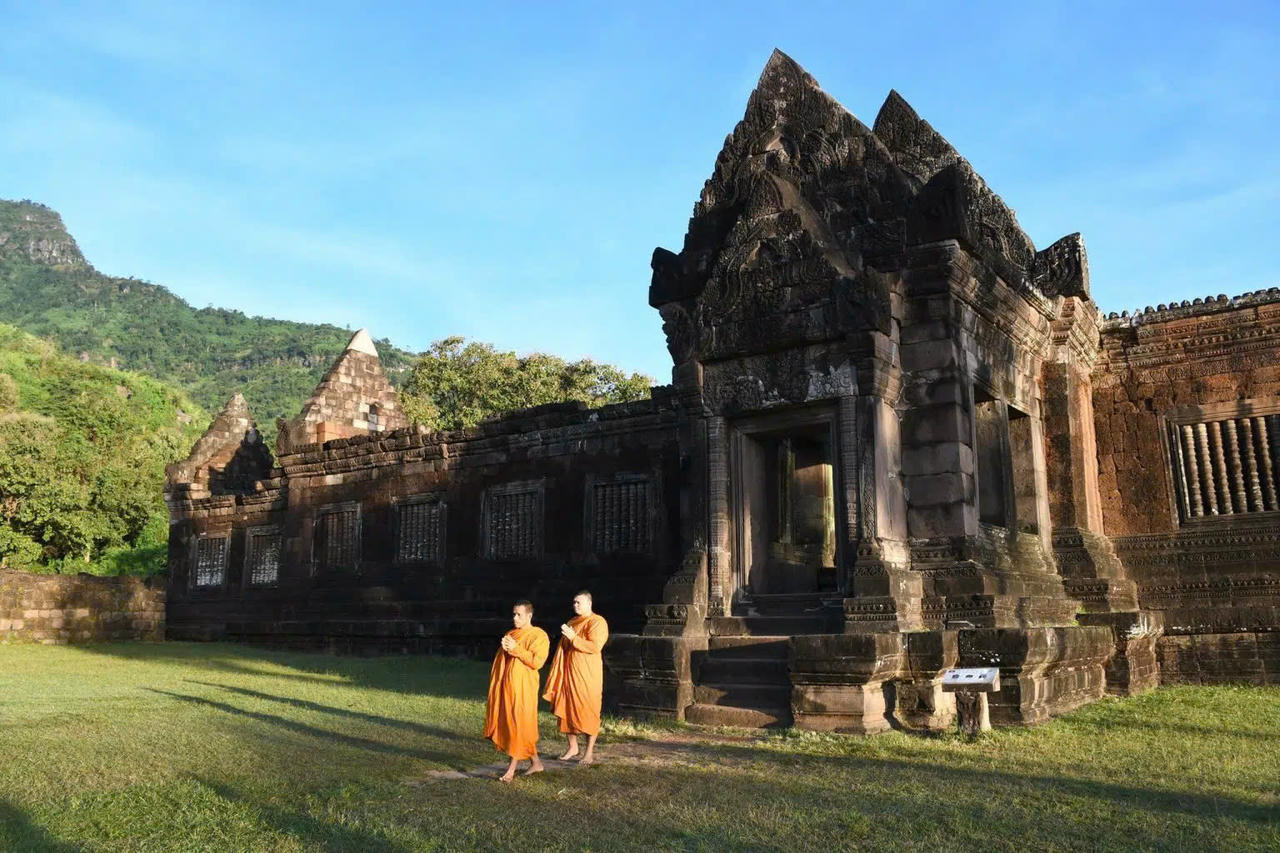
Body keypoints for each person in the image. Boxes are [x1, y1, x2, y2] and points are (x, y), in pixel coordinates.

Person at [483, 599, 550, 782]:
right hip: (508, 687)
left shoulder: (539, 635)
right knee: (519, 726)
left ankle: (511, 770)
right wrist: (505, 650)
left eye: (519, 614)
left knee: (518, 724)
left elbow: (537, 662)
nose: (515, 618)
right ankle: (536, 763)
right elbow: (502, 661)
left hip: (524, 689)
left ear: (529, 615)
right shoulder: (511, 633)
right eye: (513, 614)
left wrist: (515, 649)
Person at [542, 590, 609, 764]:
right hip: (569, 673)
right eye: (574, 602)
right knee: (566, 709)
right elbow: (564, 647)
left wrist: (573, 637)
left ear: (589, 603)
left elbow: (595, 647)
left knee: (589, 711)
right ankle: (573, 747)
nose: (575, 605)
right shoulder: (572, 622)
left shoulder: (597, 622)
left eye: (579, 602)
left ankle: (589, 753)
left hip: (588, 676)